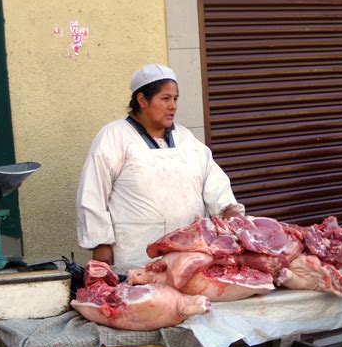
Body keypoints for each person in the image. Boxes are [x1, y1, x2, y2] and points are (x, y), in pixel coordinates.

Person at [76, 64, 244, 271]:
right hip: (136, 257)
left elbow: (215, 183)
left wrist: (229, 213)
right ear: (142, 100)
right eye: (165, 99)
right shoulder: (114, 136)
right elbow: (92, 194)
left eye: (175, 98)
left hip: (189, 256)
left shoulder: (186, 139)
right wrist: (100, 243)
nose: (172, 106)